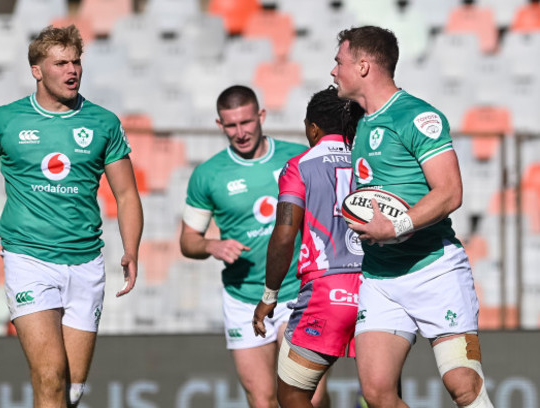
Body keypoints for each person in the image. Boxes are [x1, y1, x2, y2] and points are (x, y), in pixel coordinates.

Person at [0, 25, 143, 408]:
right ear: (37, 70)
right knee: (50, 378)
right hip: (28, 259)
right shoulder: (3, 121)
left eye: (76, 61)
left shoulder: (103, 123)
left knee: (71, 391)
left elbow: (127, 193)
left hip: (86, 263)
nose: (72, 70)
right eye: (61, 62)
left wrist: (131, 248)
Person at [331, 26, 493, 408]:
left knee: (464, 386)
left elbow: (450, 191)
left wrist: (396, 225)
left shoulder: (417, 116)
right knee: (376, 393)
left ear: (365, 66)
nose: (334, 70)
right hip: (381, 278)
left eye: (339, 62)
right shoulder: (358, 121)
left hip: (434, 270)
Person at [179, 85, 329, 408]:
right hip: (243, 298)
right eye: (231, 125)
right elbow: (188, 241)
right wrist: (211, 245)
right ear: (220, 125)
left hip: (298, 291)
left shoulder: (297, 157)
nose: (240, 132)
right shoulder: (207, 175)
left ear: (261, 116)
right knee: (262, 400)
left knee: (311, 398)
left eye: (246, 122)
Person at [252, 86, 365, 408]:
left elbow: (285, 235)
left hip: (327, 291)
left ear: (313, 128)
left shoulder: (300, 165)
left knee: (291, 395)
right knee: (381, 393)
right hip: (376, 288)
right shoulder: (370, 163)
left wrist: (269, 296)